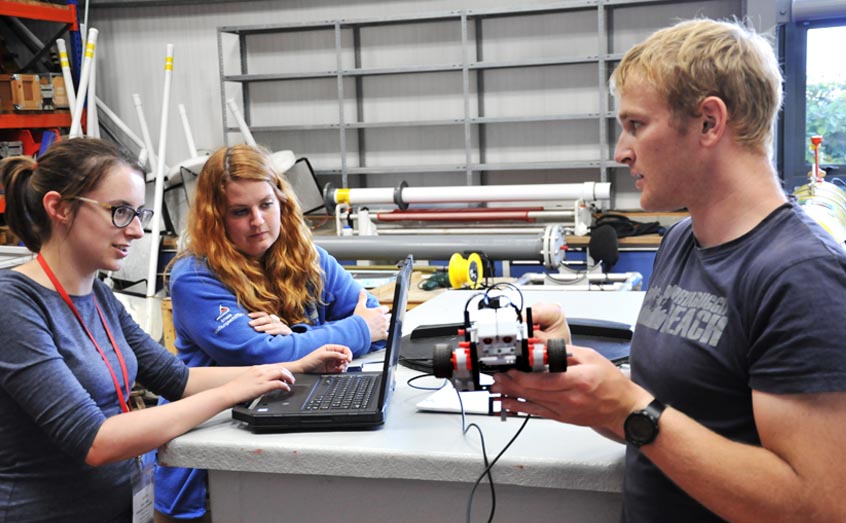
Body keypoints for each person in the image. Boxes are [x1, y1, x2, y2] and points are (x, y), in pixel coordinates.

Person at [491, 18, 846, 523]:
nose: (620, 152)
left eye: (636, 125)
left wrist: (630, 409)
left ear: (708, 122)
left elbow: (817, 507)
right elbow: (666, 421)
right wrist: (576, 374)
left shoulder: (801, 276)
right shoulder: (681, 242)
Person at [0, 138, 352, 523]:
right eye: (119, 212)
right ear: (59, 208)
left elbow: (177, 378)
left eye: (138, 214)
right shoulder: (14, 304)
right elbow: (95, 440)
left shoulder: (97, 295)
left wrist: (293, 367)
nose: (136, 231)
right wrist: (236, 390)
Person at [154, 144, 390, 520]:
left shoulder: (306, 257)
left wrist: (296, 335)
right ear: (217, 219)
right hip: (206, 459)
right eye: (239, 211)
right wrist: (348, 330)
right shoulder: (195, 276)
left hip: (283, 430)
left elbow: (379, 321)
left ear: (281, 200)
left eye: (266, 204)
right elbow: (259, 356)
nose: (257, 221)